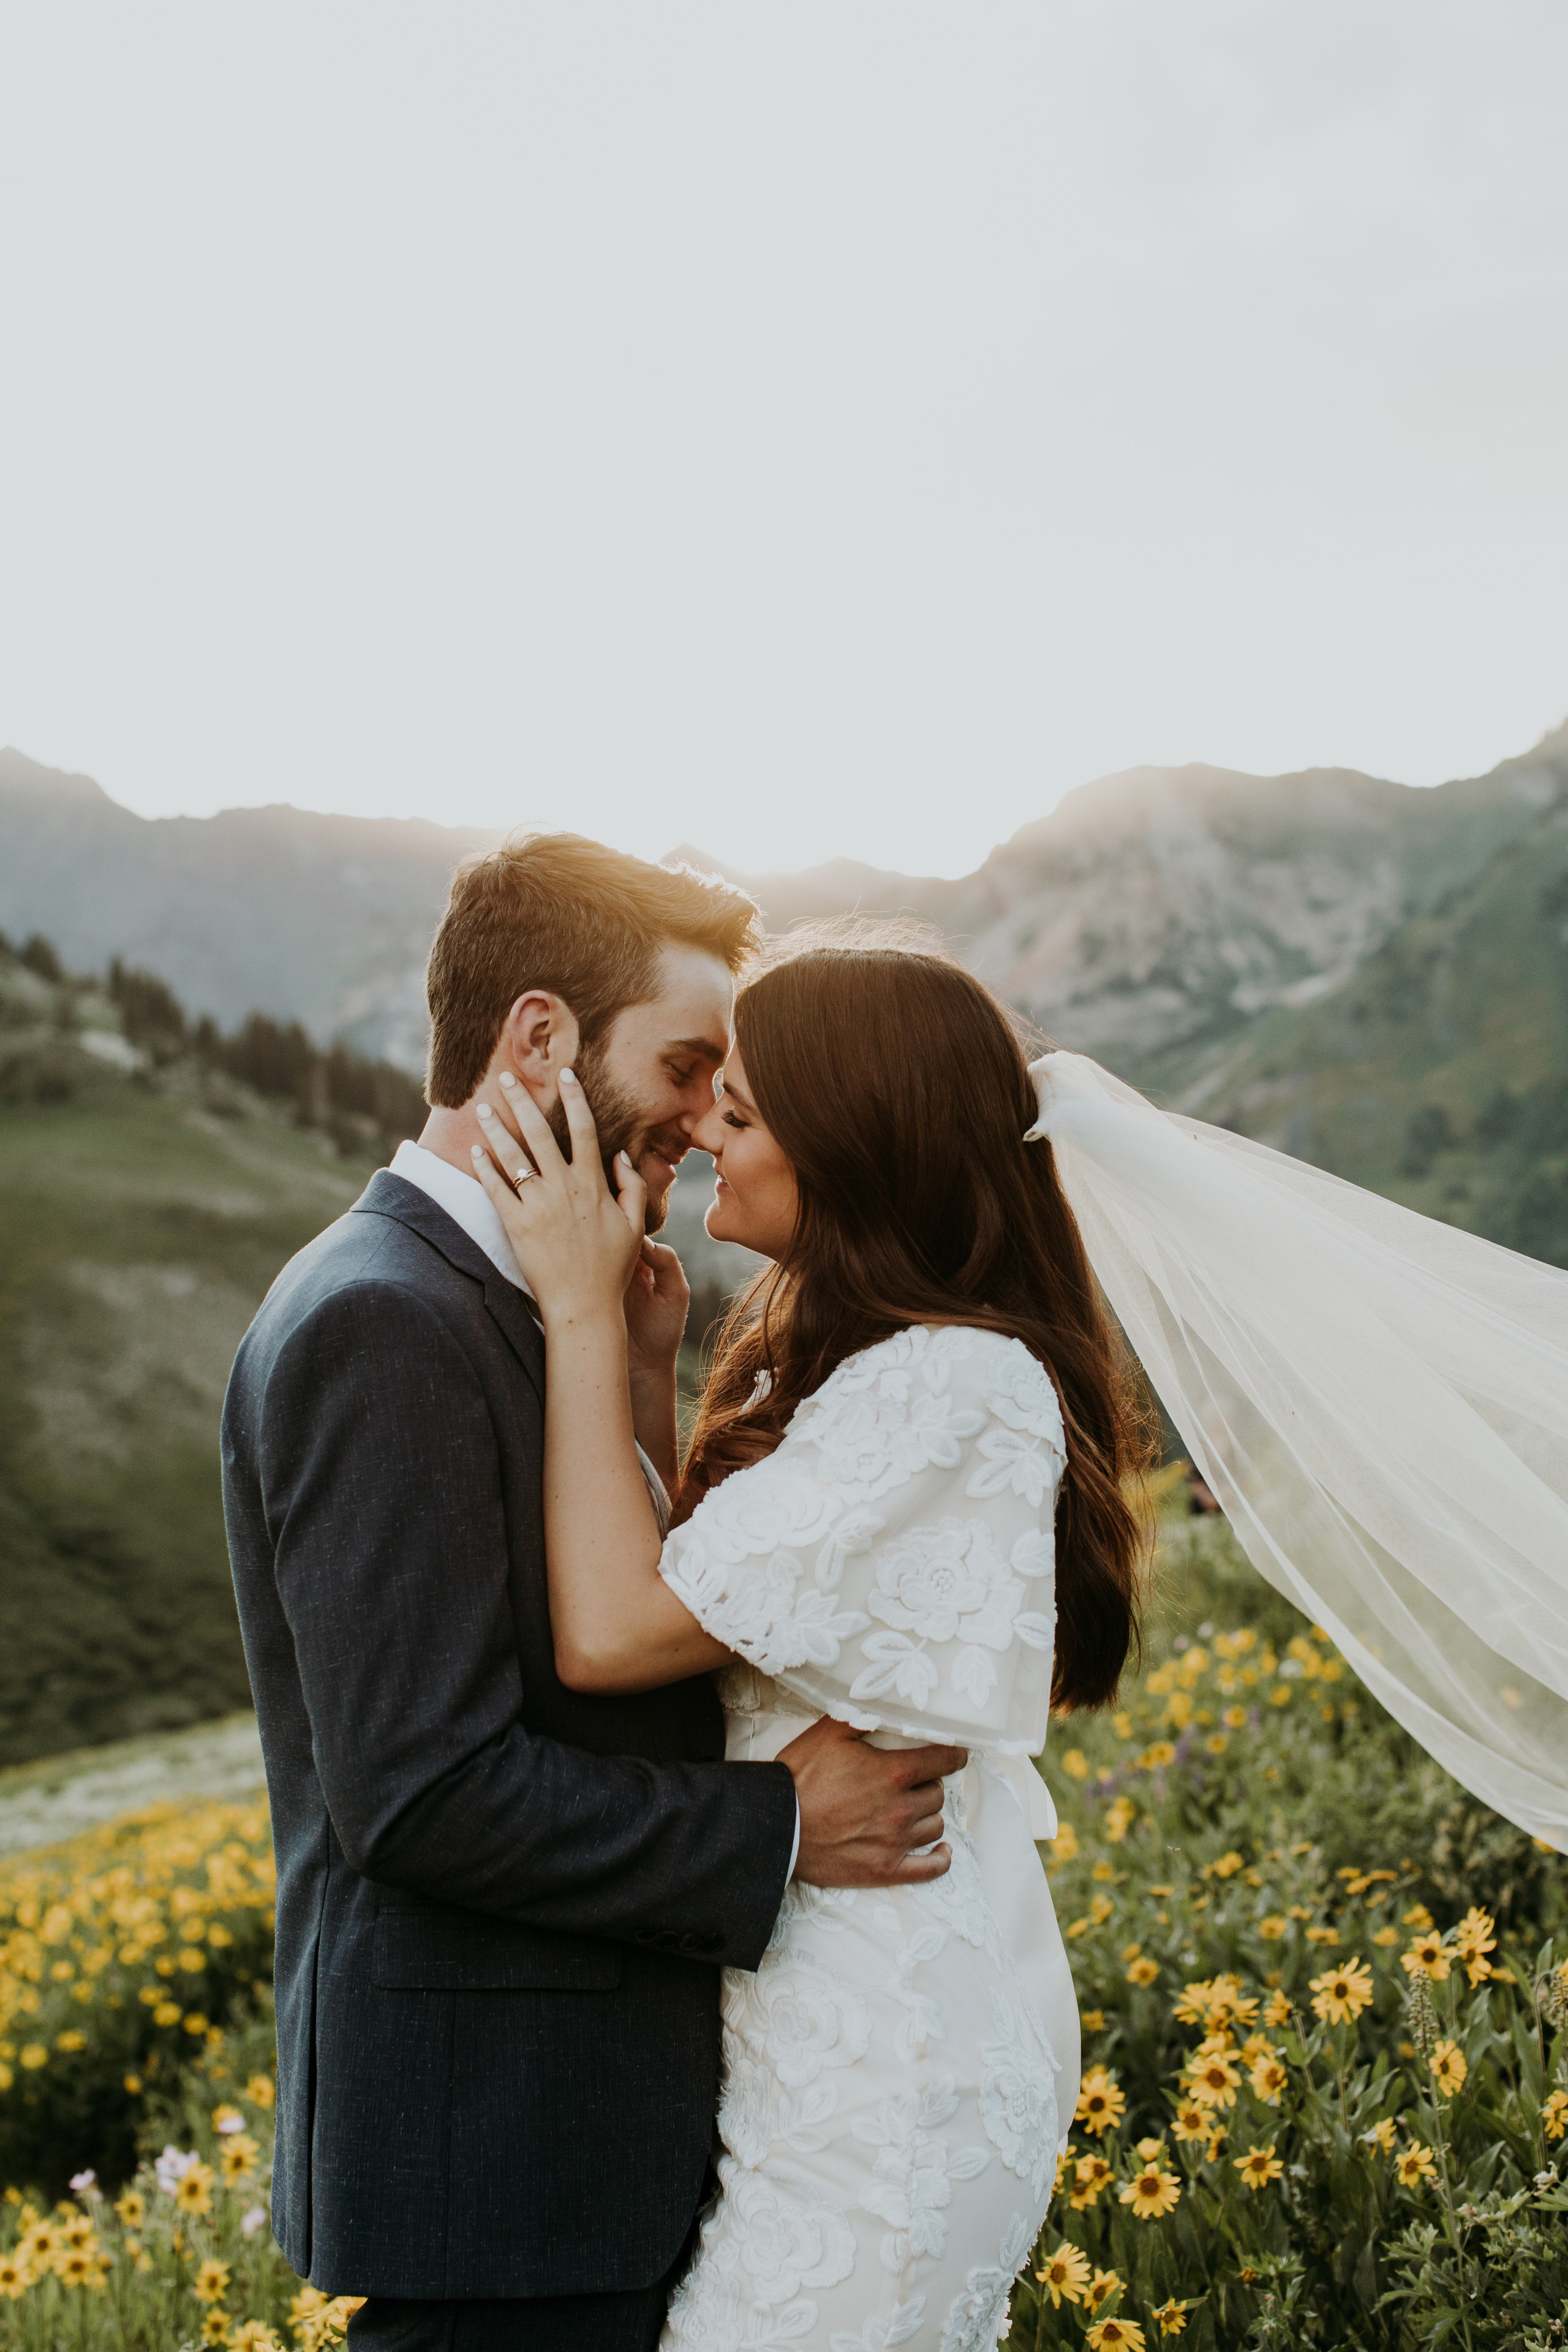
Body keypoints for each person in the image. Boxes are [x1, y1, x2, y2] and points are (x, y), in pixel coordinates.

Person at [222, 840, 968, 2352]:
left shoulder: (501, 1303)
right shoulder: (386, 1320)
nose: (705, 1128)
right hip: (503, 2178)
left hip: (564, 2162)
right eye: (687, 1067)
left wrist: (635, 1378)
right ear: (540, 1037)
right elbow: (419, 1792)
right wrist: (778, 1828)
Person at [470, 935, 1150, 2352]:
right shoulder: (860, 1364)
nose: (703, 1126)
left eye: (745, 1108)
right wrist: (650, 1375)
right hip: (834, 2020)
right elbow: (708, 1604)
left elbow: (610, 1632)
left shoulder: (946, 1383)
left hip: (885, 2064)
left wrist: (578, 1310)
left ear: (854, 1143)